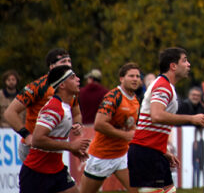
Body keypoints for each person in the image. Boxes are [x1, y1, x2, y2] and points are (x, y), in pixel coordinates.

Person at [128, 47, 204, 192]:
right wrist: (191, 118)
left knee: (170, 190)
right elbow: (157, 115)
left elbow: (153, 121)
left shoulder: (166, 85)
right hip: (147, 152)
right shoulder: (163, 86)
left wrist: (163, 150)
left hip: (153, 151)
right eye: (185, 60)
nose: (188, 64)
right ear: (173, 66)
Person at [19, 65, 91, 193]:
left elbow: (55, 137)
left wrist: (73, 149)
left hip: (56, 170)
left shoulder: (66, 105)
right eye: (72, 77)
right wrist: (70, 146)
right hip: (36, 174)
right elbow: (37, 140)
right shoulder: (54, 108)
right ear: (62, 85)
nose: (78, 79)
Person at [3, 48, 82, 162]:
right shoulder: (38, 86)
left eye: (69, 61)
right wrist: (27, 135)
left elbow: (77, 113)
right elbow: (9, 113)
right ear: (51, 66)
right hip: (34, 147)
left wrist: (78, 124)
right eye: (63, 62)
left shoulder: (70, 87)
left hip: (54, 147)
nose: (68, 65)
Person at [80, 63, 142, 193]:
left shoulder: (135, 100)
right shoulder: (113, 97)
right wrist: (125, 135)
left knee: (135, 190)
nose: (135, 79)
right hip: (102, 155)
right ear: (121, 78)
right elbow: (99, 124)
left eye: (137, 76)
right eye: (131, 76)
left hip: (122, 155)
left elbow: (130, 126)